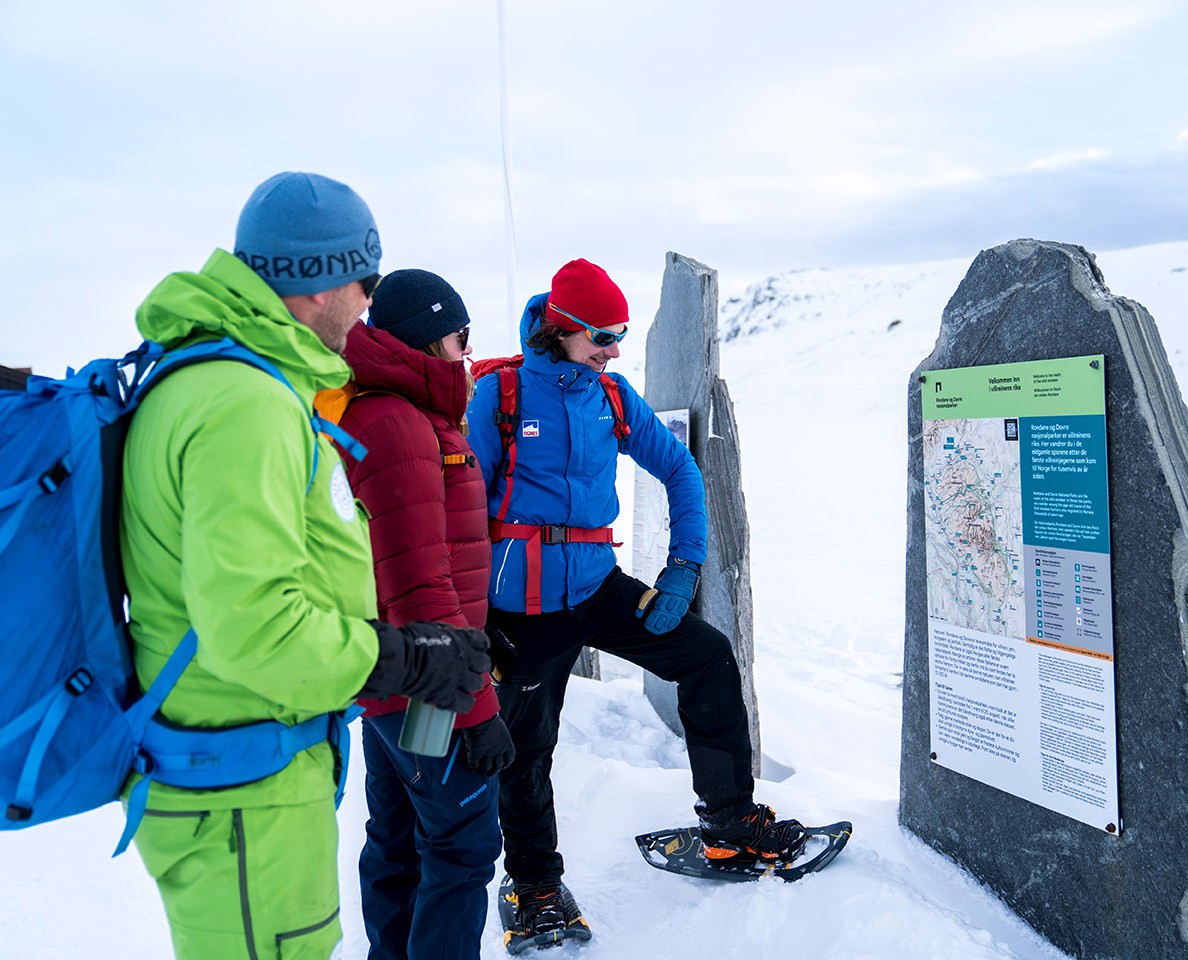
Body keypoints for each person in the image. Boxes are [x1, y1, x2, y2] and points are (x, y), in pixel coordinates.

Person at [119, 172, 492, 960]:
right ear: (318, 281)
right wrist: (402, 657)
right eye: (365, 280)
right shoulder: (244, 404)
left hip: (244, 770)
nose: (368, 304)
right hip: (241, 785)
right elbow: (254, 627)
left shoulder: (223, 380)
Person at [466, 258, 809, 940]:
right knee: (526, 750)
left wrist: (683, 567)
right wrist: (476, 619)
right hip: (521, 608)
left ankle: (728, 824)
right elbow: (464, 509)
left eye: (620, 333)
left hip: (597, 589)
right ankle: (534, 885)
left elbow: (679, 467)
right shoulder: (501, 397)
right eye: (602, 335)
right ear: (562, 330)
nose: (614, 348)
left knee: (707, 657)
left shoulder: (612, 397)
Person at [335, 269, 513, 959]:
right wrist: (478, 708)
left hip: (401, 680)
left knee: (401, 841)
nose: (467, 346)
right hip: (427, 689)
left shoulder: (403, 412)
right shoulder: (401, 424)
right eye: (459, 333)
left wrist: (481, 634)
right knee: (463, 846)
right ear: (426, 335)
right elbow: (416, 579)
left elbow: (420, 558)